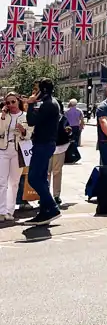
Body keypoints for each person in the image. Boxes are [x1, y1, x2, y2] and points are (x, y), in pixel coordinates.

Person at [24, 78, 63, 226]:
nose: (34, 92)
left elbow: (32, 121)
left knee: (34, 178)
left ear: (42, 90)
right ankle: (45, 210)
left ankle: (51, 207)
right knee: (40, 177)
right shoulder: (50, 103)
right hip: (43, 143)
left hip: (44, 144)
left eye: (36, 89)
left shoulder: (49, 104)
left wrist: (31, 103)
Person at [0, 92, 27, 222]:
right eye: (8, 103)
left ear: (18, 101)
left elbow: (29, 135)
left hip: (18, 151)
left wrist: (23, 131)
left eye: (13, 102)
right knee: (1, 181)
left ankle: (10, 211)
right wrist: (3, 116)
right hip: (3, 149)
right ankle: (1, 210)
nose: (11, 105)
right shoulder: (3, 116)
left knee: (14, 182)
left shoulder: (25, 116)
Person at [48, 111, 73, 206]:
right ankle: (45, 195)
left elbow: (68, 131)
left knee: (57, 172)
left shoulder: (63, 119)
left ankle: (56, 195)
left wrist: (68, 130)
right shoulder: (45, 118)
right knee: (46, 172)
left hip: (60, 147)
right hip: (47, 147)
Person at [65, 99, 84, 163]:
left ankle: (74, 155)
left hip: (69, 127)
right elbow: (82, 120)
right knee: (75, 141)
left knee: (71, 142)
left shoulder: (67, 111)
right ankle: (74, 155)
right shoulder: (79, 111)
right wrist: (81, 127)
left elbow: (65, 120)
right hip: (76, 127)